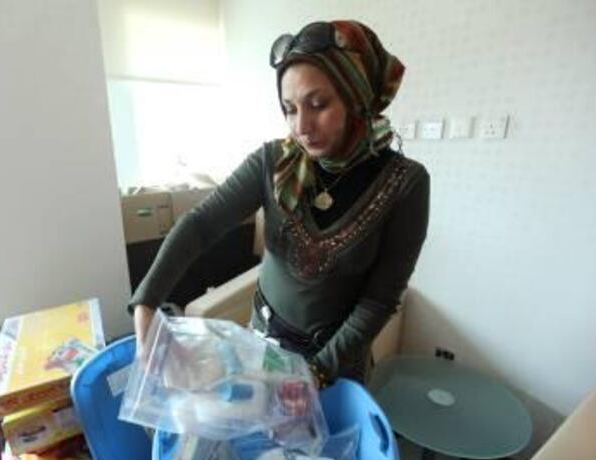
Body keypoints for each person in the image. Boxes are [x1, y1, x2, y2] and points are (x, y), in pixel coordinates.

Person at [130, 20, 429, 388]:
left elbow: (379, 300)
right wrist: (146, 302)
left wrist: (316, 373)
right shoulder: (273, 163)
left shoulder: (404, 183)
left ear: (357, 98)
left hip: (336, 366)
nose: (301, 126)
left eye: (318, 104)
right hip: (261, 348)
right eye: (289, 108)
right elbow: (201, 225)